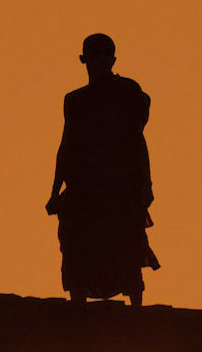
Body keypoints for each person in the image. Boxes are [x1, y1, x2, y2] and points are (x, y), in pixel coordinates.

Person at [45, 33, 159, 305]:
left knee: (126, 242)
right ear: (86, 61)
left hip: (119, 186)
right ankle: (80, 307)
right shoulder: (75, 101)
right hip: (86, 186)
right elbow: (67, 146)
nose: (97, 64)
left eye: (102, 57)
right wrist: (53, 190)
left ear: (111, 60)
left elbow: (137, 141)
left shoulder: (127, 93)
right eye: (93, 58)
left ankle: (135, 308)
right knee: (78, 243)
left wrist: (146, 183)